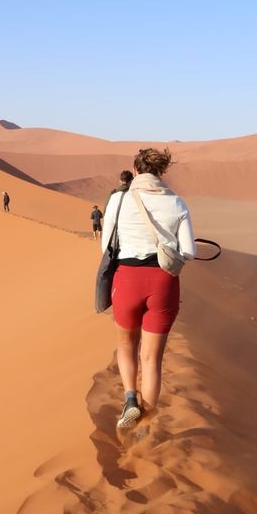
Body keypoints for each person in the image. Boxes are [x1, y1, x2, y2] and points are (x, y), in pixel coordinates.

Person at [100, 148, 195, 430]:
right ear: (161, 171)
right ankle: (145, 426)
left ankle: (130, 399)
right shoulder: (177, 203)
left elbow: (105, 247)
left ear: (136, 169)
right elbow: (188, 252)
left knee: (126, 344)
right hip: (163, 282)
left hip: (127, 279)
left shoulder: (118, 200)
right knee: (152, 359)